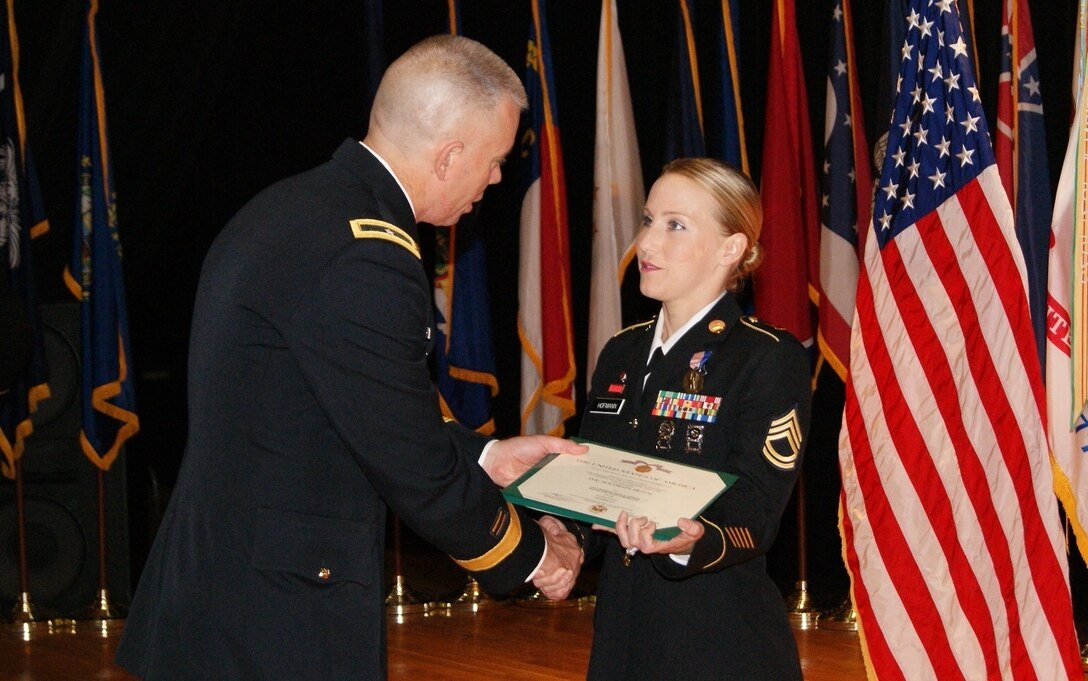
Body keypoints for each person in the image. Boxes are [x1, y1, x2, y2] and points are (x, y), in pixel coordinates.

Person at [116, 35, 585, 680]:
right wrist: (532, 555)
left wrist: (486, 454)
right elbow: (406, 458)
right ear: (450, 156)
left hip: (224, 591)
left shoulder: (291, 209)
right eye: (496, 159)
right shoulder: (366, 255)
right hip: (277, 620)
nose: (498, 179)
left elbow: (346, 407)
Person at [578, 157, 812, 680]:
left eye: (675, 226)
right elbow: (593, 477)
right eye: (647, 220)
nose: (647, 243)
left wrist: (692, 538)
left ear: (732, 249)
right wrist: (565, 533)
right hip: (620, 633)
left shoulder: (767, 357)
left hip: (719, 637)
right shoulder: (621, 350)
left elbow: (756, 509)